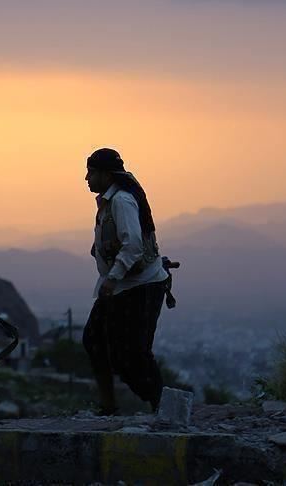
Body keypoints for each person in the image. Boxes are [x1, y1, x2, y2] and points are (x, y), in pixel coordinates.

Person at [82, 148, 170, 415]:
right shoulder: (109, 202)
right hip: (119, 285)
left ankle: (164, 407)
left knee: (132, 354)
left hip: (137, 286)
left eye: (91, 173)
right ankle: (108, 405)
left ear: (107, 175)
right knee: (94, 339)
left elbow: (132, 245)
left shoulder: (121, 201)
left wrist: (113, 277)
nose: (87, 178)